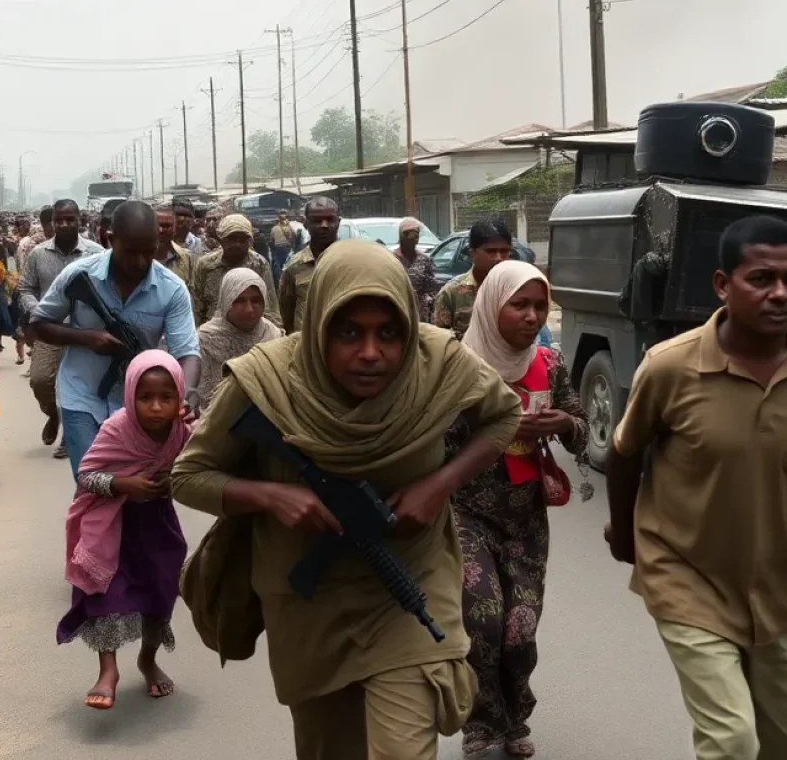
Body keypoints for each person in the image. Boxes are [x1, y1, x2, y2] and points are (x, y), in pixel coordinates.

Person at [172, 240, 523, 759]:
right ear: (317, 327)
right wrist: (271, 496)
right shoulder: (267, 380)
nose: (370, 353)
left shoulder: (438, 362)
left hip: (411, 583)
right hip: (310, 605)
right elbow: (187, 475)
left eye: (388, 333)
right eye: (348, 332)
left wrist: (438, 485)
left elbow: (504, 415)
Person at [605, 215, 787, 760]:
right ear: (721, 285)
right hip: (687, 573)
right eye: (762, 279)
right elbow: (623, 451)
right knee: (732, 739)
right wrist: (626, 534)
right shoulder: (670, 368)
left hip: (777, 585)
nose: (780, 293)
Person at [450, 260, 591, 758]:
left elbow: (581, 430)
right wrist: (498, 428)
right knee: (484, 623)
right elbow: (433, 440)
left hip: (527, 516)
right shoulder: (456, 365)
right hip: (466, 512)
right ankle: (481, 722)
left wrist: (564, 425)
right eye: (520, 305)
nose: (532, 316)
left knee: (520, 628)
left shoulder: (549, 365)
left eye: (539, 305)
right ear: (492, 307)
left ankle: (515, 714)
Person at [58, 350, 191, 710]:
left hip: (158, 527)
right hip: (113, 527)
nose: (156, 407)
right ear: (130, 394)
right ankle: (108, 671)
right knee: (106, 595)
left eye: (166, 397)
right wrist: (122, 484)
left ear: (180, 397)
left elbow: (197, 469)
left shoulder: (183, 432)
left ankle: (148, 660)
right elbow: (86, 475)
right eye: (145, 397)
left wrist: (170, 483)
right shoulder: (116, 428)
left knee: (160, 594)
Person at [30, 200, 200, 478]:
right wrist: (87, 338)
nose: (142, 262)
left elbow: (187, 352)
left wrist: (188, 394)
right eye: (131, 252)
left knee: (139, 488)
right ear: (109, 240)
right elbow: (39, 324)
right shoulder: (80, 275)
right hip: (81, 394)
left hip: (140, 404)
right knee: (93, 481)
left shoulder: (171, 288)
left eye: (150, 251)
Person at [18, 200, 104, 458]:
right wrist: (38, 312)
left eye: (70, 219)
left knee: (76, 387)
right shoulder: (38, 254)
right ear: (52, 222)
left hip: (85, 333)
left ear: (80, 220)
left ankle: (70, 436)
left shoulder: (96, 253)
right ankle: (52, 414)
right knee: (40, 380)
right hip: (50, 330)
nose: (65, 224)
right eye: (59, 220)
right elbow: (25, 288)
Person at [197, 269, 281, 410]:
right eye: (239, 300)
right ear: (226, 301)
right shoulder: (205, 339)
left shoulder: (273, 335)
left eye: (256, 300)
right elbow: (201, 397)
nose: (249, 309)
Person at [189, 214, 280, 328]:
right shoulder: (205, 265)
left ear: (250, 241)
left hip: (251, 332)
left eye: (242, 240)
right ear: (221, 239)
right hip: (213, 334)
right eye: (231, 239)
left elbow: (271, 309)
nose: (237, 244)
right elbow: (196, 307)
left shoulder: (260, 265)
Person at [433, 219, 514, 340]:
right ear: (472, 253)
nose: (499, 258)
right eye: (490, 251)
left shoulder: (515, 289)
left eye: (504, 251)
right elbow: (438, 342)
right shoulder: (451, 293)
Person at [279, 197, 340, 334]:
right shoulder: (294, 266)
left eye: (330, 219)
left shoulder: (351, 261)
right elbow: (286, 313)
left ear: (338, 222)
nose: (324, 225)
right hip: (305, 347)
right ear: (306, 224)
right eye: (317, 220)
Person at [394, 218, 438, 322]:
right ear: (401, 236)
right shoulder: (392, 258)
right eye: (407, 234)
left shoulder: (424, 260)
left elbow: (431, 288)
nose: (412, 238)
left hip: (420, 313)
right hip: (399, 308)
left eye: (415, 235)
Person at [154, 204, 192, 285]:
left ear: (174, 229)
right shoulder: (137, 258)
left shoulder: (186, 258)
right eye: (156, 225)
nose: (161, 230)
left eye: (166, 226)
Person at [269, 210, 294, 287]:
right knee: (287, 264)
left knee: (278, 265)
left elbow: (271, 239)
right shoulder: (289, 228)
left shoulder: (274, 228)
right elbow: (292, 237)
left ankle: (279, 281)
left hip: (278, 249)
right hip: (287, 248)